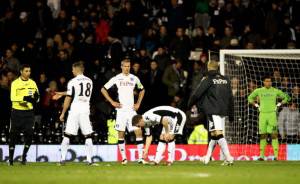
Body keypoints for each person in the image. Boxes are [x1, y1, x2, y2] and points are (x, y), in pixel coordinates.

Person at [188, 60, 234, 166]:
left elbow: (197, 93)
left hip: (213, 110)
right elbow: (231, 97)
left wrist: (189, 104)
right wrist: (231, 114)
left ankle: (229, 157)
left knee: (218, 133)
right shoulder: (225, 79)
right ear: (217, 67)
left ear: (208, 67)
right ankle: (207, 157)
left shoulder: (208, 79)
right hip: (223, 110)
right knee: (214, 134)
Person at [101, 59, 146, 165]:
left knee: (138, 131)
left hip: (131, 110)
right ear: (121, 67)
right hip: (121, 111)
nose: (127, 68)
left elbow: (142, 90)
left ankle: (140, 158)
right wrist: (112, 102)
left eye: (128, 66)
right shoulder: (117, 78)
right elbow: (103, 89)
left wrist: (138, 103)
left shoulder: (134, 78)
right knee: (120, 134)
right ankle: (124, 159)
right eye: (125, 66)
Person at [58, 61, 97, 166]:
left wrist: (63, 113)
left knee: (67, 135)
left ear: (76, 69)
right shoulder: (90, 81)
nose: (72, 71)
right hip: (85, 110)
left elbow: (69, 97)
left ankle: (62, 159)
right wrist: (62, 93)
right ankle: (89, 160)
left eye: (72, 69)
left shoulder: (72, 81)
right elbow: (78, 92)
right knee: (88, 136)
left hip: (75, 110)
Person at [248, 76, 290, 161]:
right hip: (262, 115)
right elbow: (249, 98)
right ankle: (261, 156)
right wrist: (256, 105)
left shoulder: (275, 90)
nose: (268, 83)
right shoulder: (259, 90)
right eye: (266, 81)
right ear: (263, 82)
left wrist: (279, 104)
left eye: (270, 81)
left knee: (274, 135)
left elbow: (287, 97)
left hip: (272, 115)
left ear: (271, 82)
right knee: (263, 135)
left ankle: (276, 156)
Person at [9, 64, 39, 166]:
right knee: (13, 135)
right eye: (26, 71)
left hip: (29, 113)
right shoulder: (15, 83)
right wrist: (25, 98)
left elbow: (37, 97)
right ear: (21, 71)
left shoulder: (33, 83)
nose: (28, 73)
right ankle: (11, 160)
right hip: (17, 112)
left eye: (29, 71)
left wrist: (35, 98)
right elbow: (12, 97)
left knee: (30, 134)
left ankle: (24, 157)